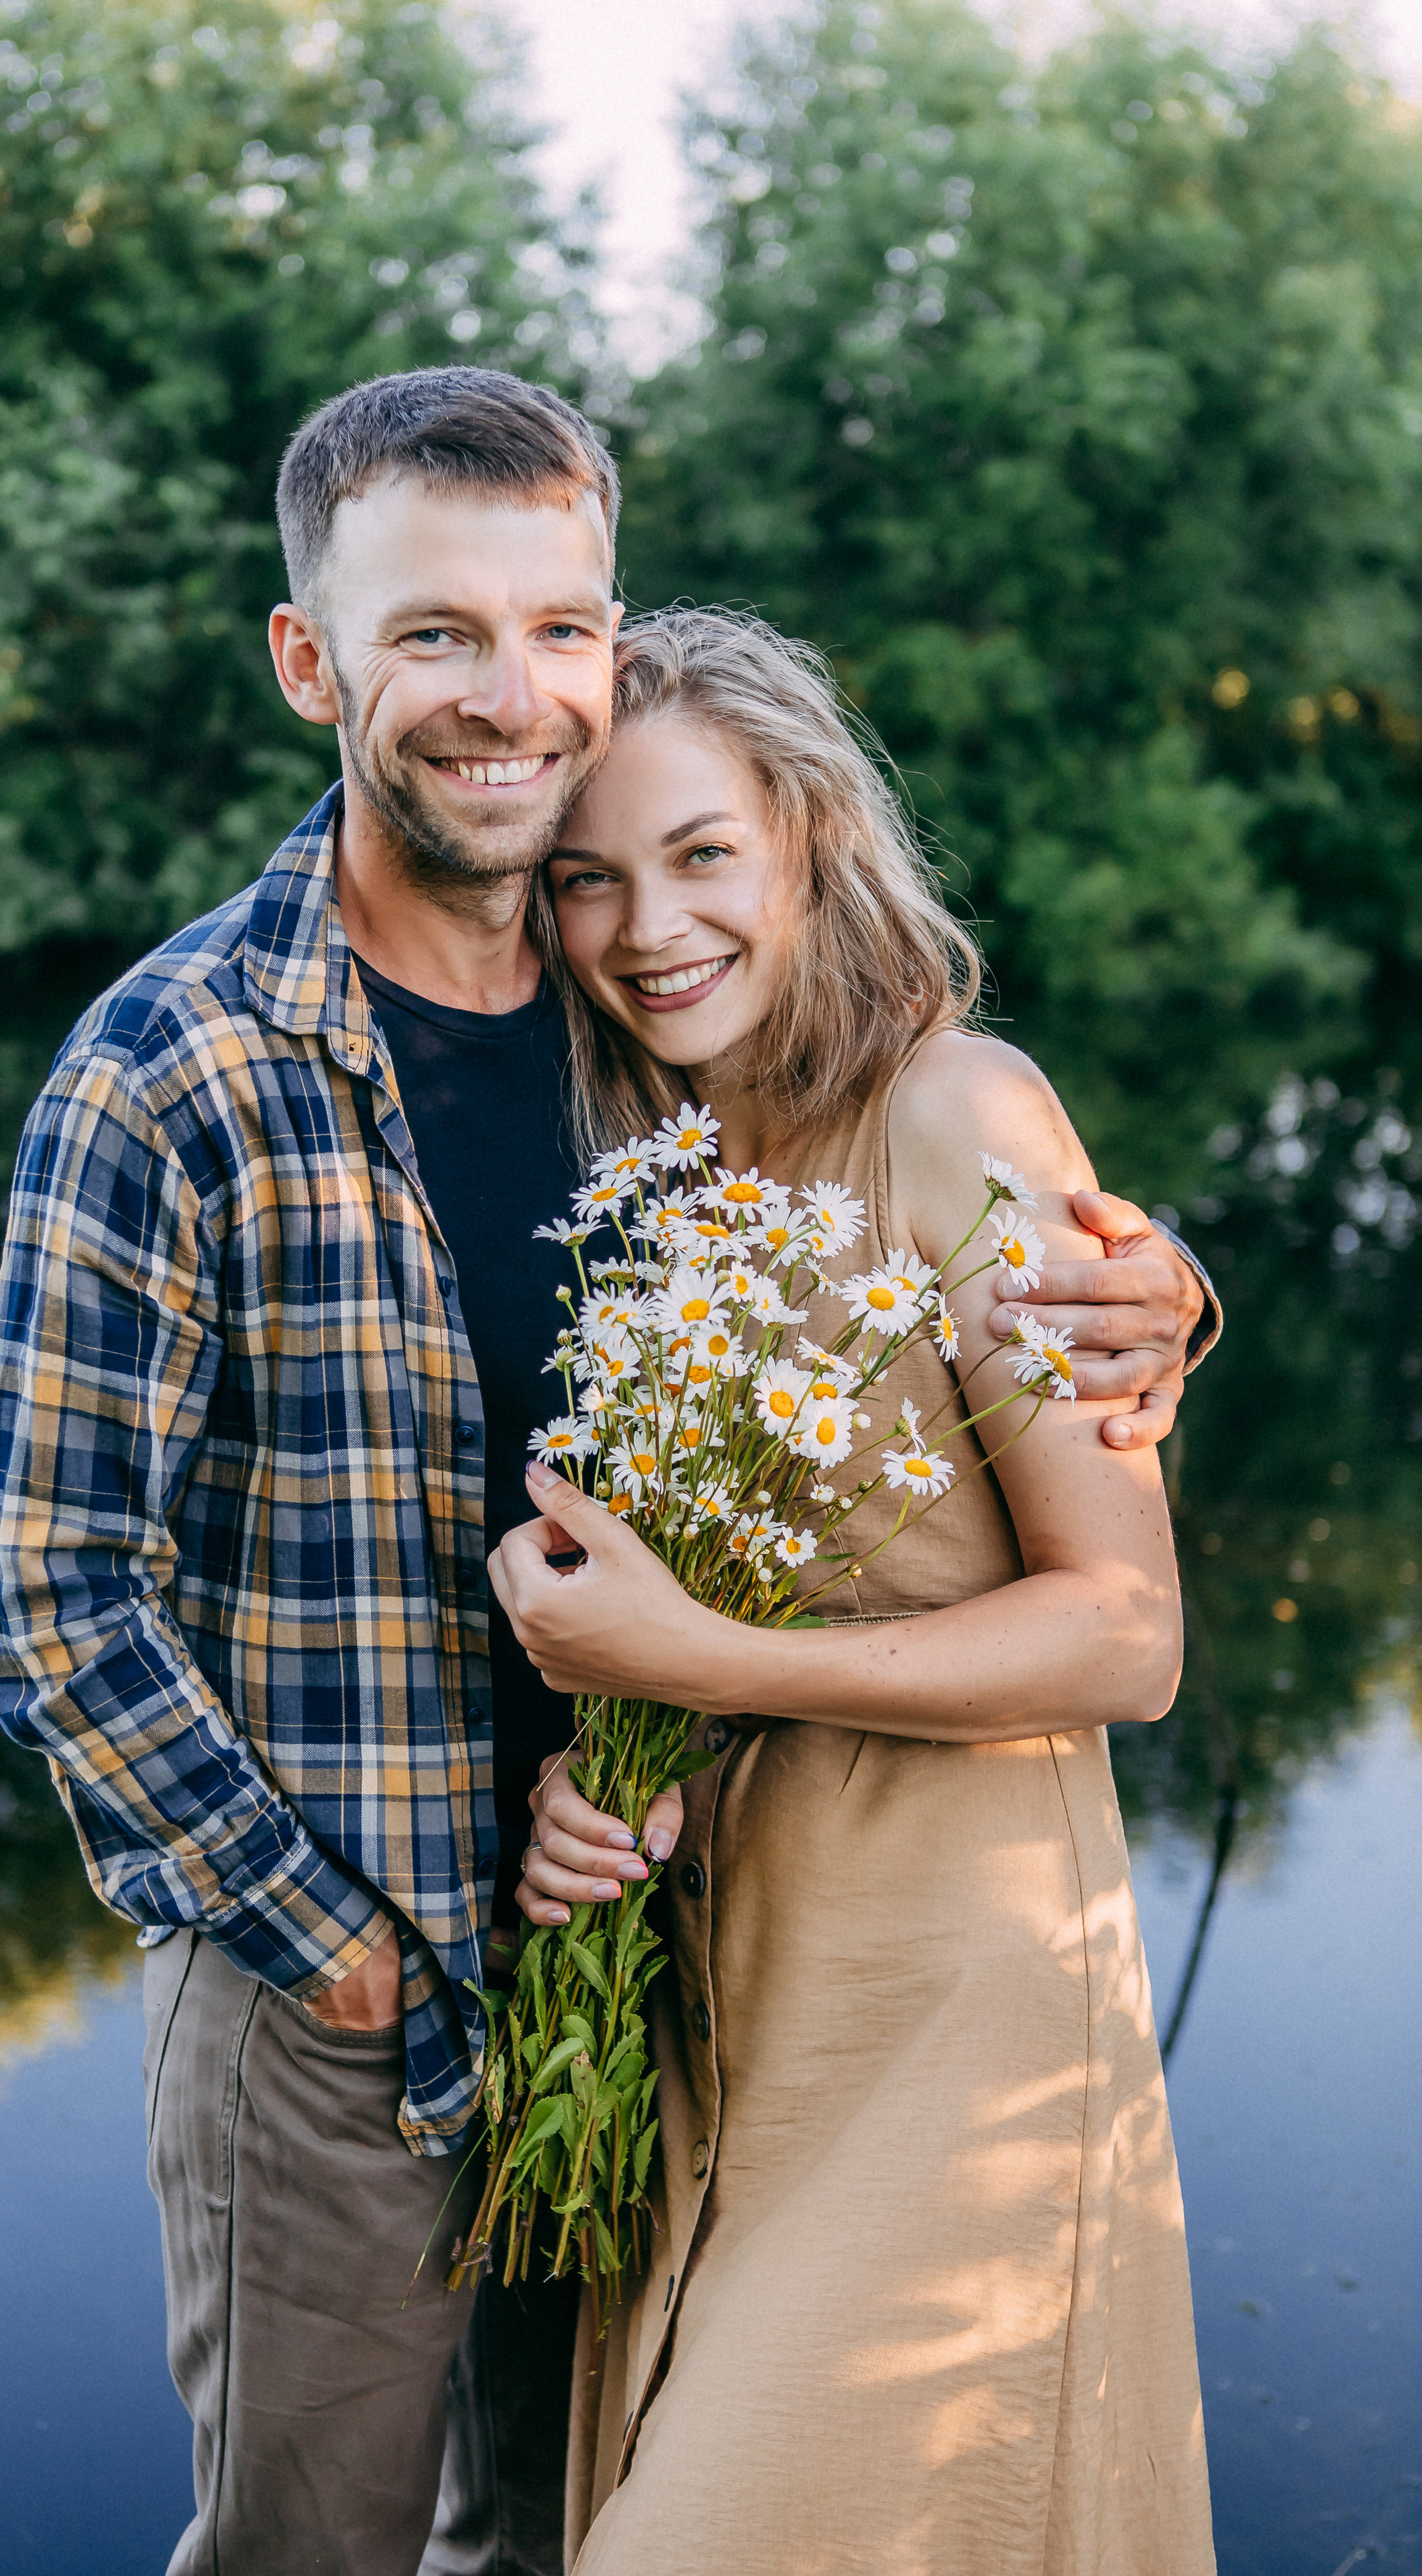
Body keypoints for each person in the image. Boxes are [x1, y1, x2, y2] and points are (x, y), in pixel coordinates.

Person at [0, 369, 1211, 2576]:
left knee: (566, 2536)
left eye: (557, 630)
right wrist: (330, 1951)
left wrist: (1162, 1301)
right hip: (353, 1980)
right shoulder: (179, 1068)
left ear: (612, 651)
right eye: (429, 630)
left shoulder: (634, 1044)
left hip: (647, 1962)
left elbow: (922, 1332)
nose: (507, 693)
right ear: (311, 660)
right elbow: (50, 1593)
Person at [493, 608, 1217, 2575]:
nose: (651, 926)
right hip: (715, 2002)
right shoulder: (659, 1162)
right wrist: (608, 1773)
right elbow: (702, 1605)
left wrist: (702, 1654)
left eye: (704, 853)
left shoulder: (959, 1106)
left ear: (812, 840)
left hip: (952, 1991)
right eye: (588, 879)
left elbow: (1127, 1635)